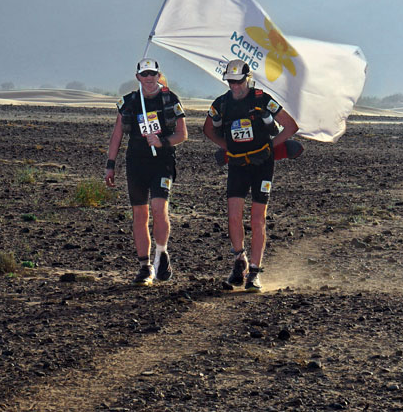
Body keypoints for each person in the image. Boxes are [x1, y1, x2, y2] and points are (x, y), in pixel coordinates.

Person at [203, 59, 299, 292]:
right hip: (237, 165)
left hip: (262, 166)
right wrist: (226, 147)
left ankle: (254, 272)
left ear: (247, 78)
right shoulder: (221, 104)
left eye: (238, 81)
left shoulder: (262, 100)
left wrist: (270, 147)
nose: (235, 86)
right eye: (230, 81)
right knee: (234, 217)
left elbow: (290, 126)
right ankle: (239, 261)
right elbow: (207, 129)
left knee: (257, 219)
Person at [104, 58, 188, 285]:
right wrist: (110, 165)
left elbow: (182, 135)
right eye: (144, 74)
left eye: (152, 74)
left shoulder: (170, 99)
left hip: (162, 163)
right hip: (136, 163)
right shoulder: (129, 102)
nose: (149, 78)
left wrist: (162, 142)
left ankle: (161, 254)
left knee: (159, 207)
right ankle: (144, 267)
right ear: (138, 77)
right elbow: (117, 135)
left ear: (158, 75)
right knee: (140, 215)